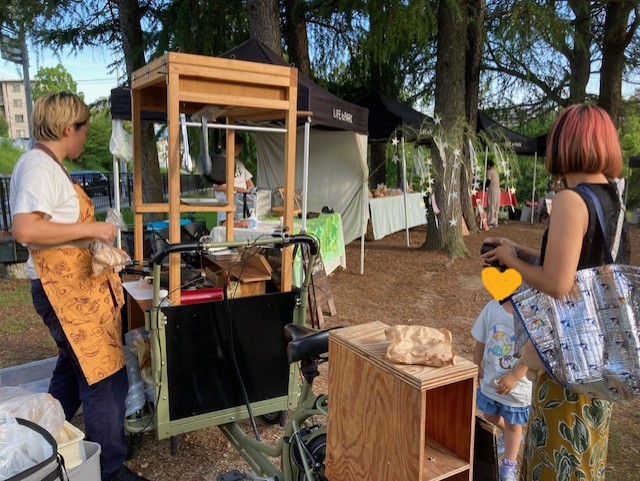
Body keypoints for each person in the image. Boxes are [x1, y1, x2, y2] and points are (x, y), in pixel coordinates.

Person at [481, 104, 630, 481]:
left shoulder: (570, 199)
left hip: (566, 363)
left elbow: (558, 283)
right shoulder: (611, 200)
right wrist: (518, 250)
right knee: (584, 458)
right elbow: (583, 268)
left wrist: (512, 264)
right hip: (600, 364)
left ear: (565, 145)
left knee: (555, 460)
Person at [9, 92, 149, 481]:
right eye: (84, 129)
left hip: (76, 292)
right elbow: (26, 229)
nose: (85, 138)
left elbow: (53, 233)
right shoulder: (38, 166)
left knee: (74, 371)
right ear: (69, 128)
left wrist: (96, 247)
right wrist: (92, 228)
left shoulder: (49, 167)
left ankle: (39, 442)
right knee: (105, 379)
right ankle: (109, 469)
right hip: (65, 294)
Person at [472, 299, 532, 481]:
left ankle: (507, 467)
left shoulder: (529, 312)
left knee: (514, 426)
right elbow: (480, 339)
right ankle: (507, 435)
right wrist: (475, 364)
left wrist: (514, 376)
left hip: (516, 388)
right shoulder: (491, 308)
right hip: (491, 381)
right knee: (490, 415)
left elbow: (531, 353)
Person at [213, 134, 255, 223]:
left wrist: (251, 192)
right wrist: (238, 189)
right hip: (227, 208)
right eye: (237, 145)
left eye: (239, 146)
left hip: (242, 207)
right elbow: (217, 187)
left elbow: (249, 182)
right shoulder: (220, 163)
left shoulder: (239, 162)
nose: (239, 149)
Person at [486, 159, 501, 227]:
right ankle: (495, 221)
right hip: (498, 189)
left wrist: (484, 186)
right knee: (496, 206)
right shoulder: (496, 172)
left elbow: (488, 181)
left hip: (493, 189)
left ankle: (490, 221)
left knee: (491, 205)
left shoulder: (489, 172)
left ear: (488, 165)